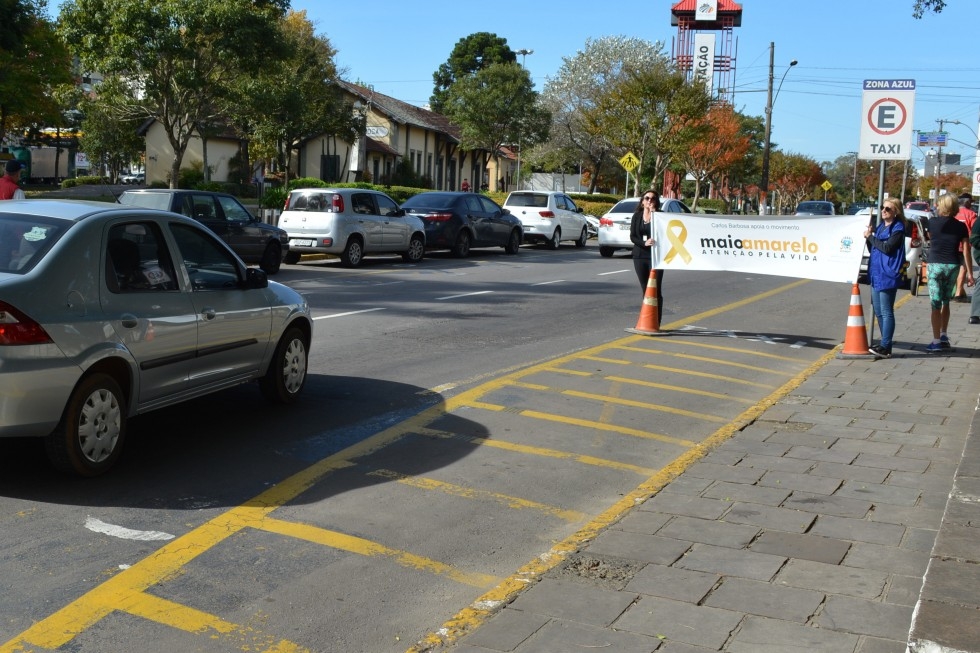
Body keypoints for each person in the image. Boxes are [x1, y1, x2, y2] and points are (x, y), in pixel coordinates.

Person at [924, 193, 974, 352]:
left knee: (935, 303)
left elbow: (930, 239)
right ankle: (944, 334)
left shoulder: (932, 223)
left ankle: (936, 340)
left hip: (935, 264)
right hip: (953, 265)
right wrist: (970, 274)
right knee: (946, 300)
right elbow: (966, 251)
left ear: (941, 205)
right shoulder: (961, 226)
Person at [863, 198, 906, 358]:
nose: (884, 211)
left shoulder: (898, 228)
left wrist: (871, 237)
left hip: (888, 273)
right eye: (883, 208)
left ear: (896, 212)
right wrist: (870, 237)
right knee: (879, 311)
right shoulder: (881, 227)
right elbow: (874, 248)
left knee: (887, 311)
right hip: (876, 272)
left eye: (888, 208)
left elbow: (887, 248)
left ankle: (886, 346)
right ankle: (883, 344)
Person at [630, 190, 663, 324]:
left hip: (655, 257)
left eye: (653, 199)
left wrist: (654, 213)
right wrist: (644, 243)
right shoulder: (637, 216)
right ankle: (648, 319)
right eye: (647, 198)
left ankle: (657, 321)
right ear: (642, 201)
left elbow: (662, 233)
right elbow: (632, 236)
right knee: (646, 288)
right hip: (639, 255)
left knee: (655, 289)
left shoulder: (660, 216)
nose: (650, 201)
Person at [952, 193, 976, 301]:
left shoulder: (953, 213)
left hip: (951, 245)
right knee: (963, 267)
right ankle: (958, 293)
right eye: (971, 202)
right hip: (964, 245)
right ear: (967, 202)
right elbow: (975, 231)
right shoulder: (971, 214)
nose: (972, 204)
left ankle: (960, 291)